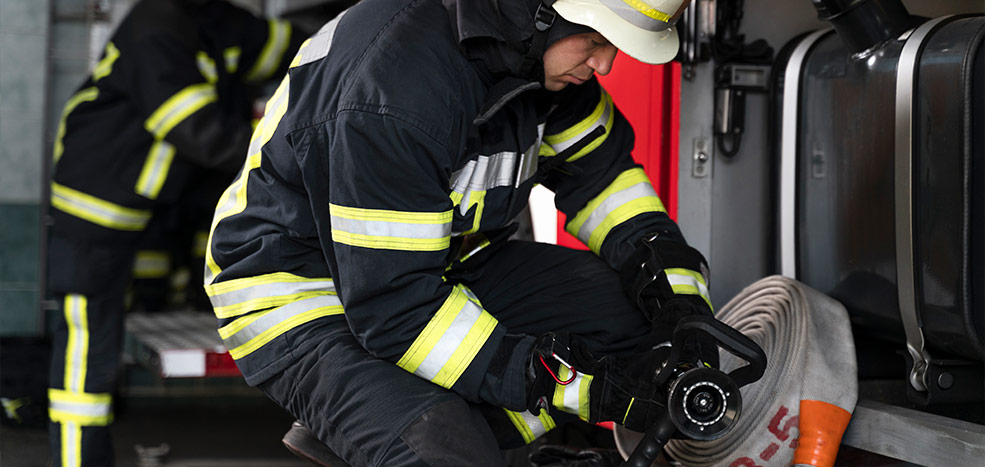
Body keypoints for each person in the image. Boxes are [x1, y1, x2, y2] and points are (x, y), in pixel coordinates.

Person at [205, 0, 716, 465]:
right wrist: (579, 389)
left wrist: (683, 306)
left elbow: (606, 182)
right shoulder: (396, 91)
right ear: (541, 12)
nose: (604, 65)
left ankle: (410, 423)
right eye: (598, 41)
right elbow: (397, 309)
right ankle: (410, 426)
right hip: (305, 295)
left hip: (426, 272)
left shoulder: (533, 62)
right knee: (444, 451)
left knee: (628, 316)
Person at [45, 0, 304, 465]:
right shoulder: (156, 26)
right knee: (88, 349)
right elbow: (197, 130)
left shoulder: (212, 18)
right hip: (94, 211)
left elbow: (286, 46)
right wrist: (294, 151)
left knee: (117, 330)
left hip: (149, 206)